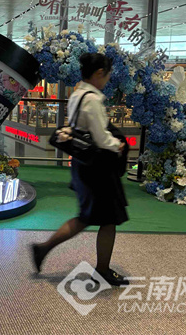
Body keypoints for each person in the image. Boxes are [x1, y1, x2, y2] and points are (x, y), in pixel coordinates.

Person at [31, 52, 129, 286]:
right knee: (108, 219)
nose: (107, 80)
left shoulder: (77, 94)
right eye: (107, 75)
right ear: (99, 73)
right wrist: (118, 145)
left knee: (87, 216)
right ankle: (102, 270)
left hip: (83, 163)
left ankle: (44, 249)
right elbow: (101, 137)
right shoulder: (92, 99)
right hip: (98, 167)